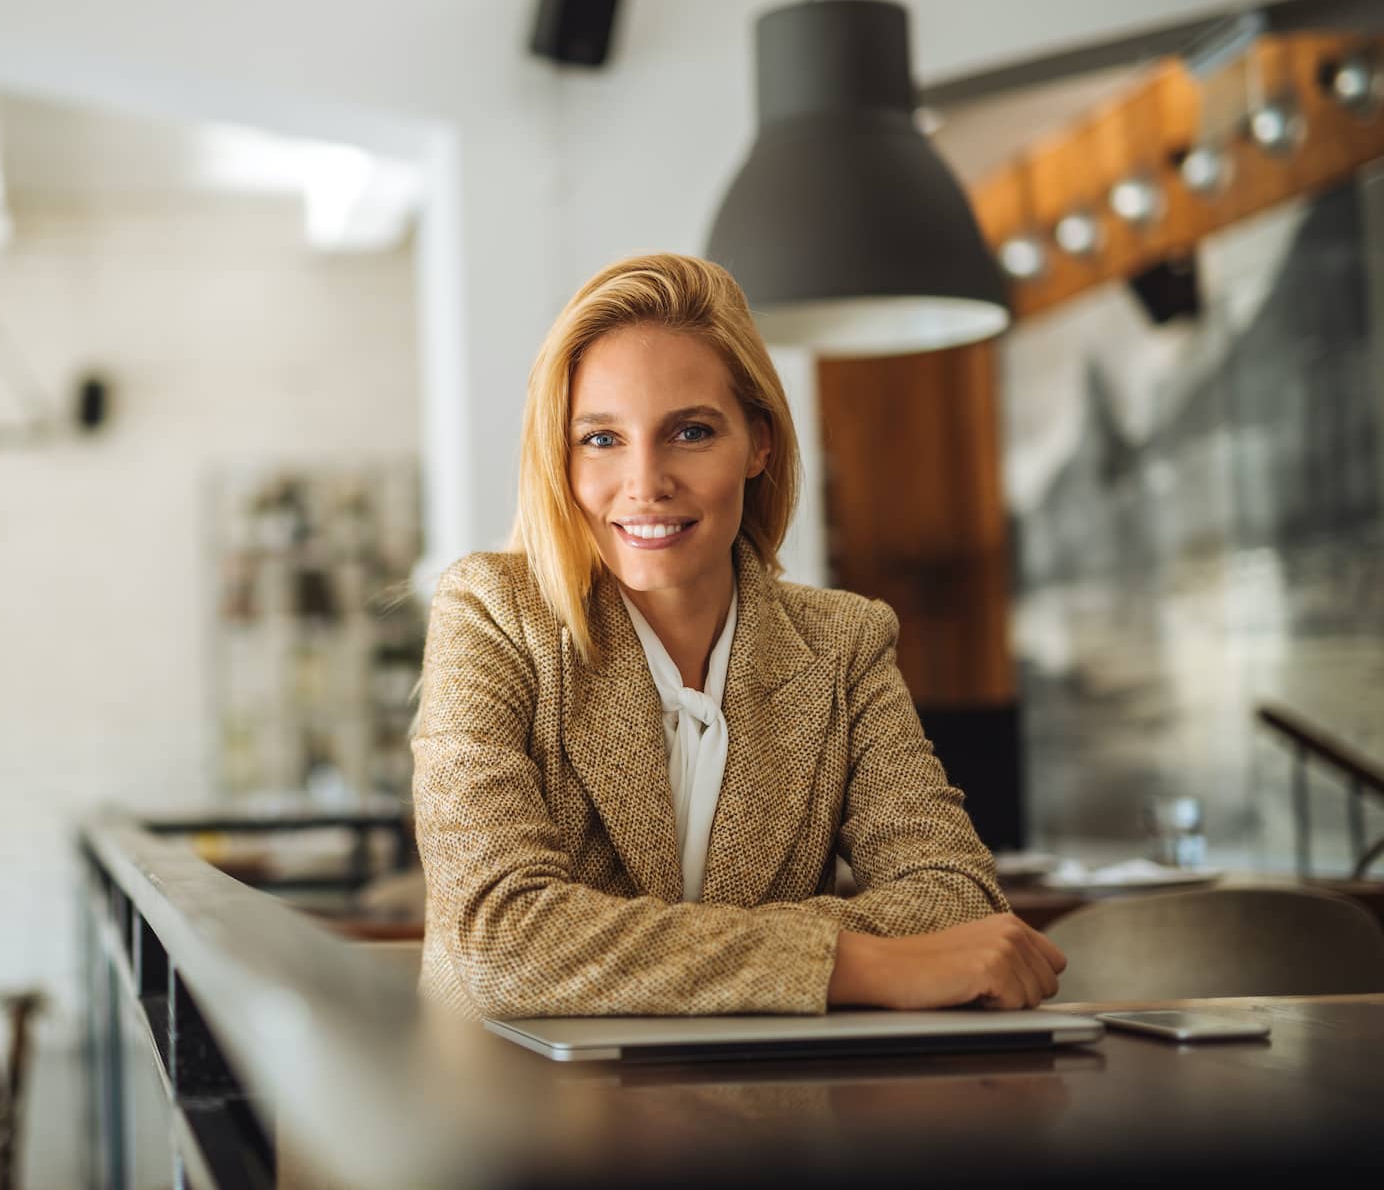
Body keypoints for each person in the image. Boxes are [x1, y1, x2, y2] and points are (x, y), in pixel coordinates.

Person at [412, 253, 1066, 1019]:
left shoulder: (843, 642)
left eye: (690, 431)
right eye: (601, 439)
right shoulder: (488, 613)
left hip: (763, 1113)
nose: (646, 481)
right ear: (558, 456)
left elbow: (955, 899)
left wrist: (605, 949)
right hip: (519, 1116)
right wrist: (853, 962)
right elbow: (500, 940)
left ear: (758, 444)